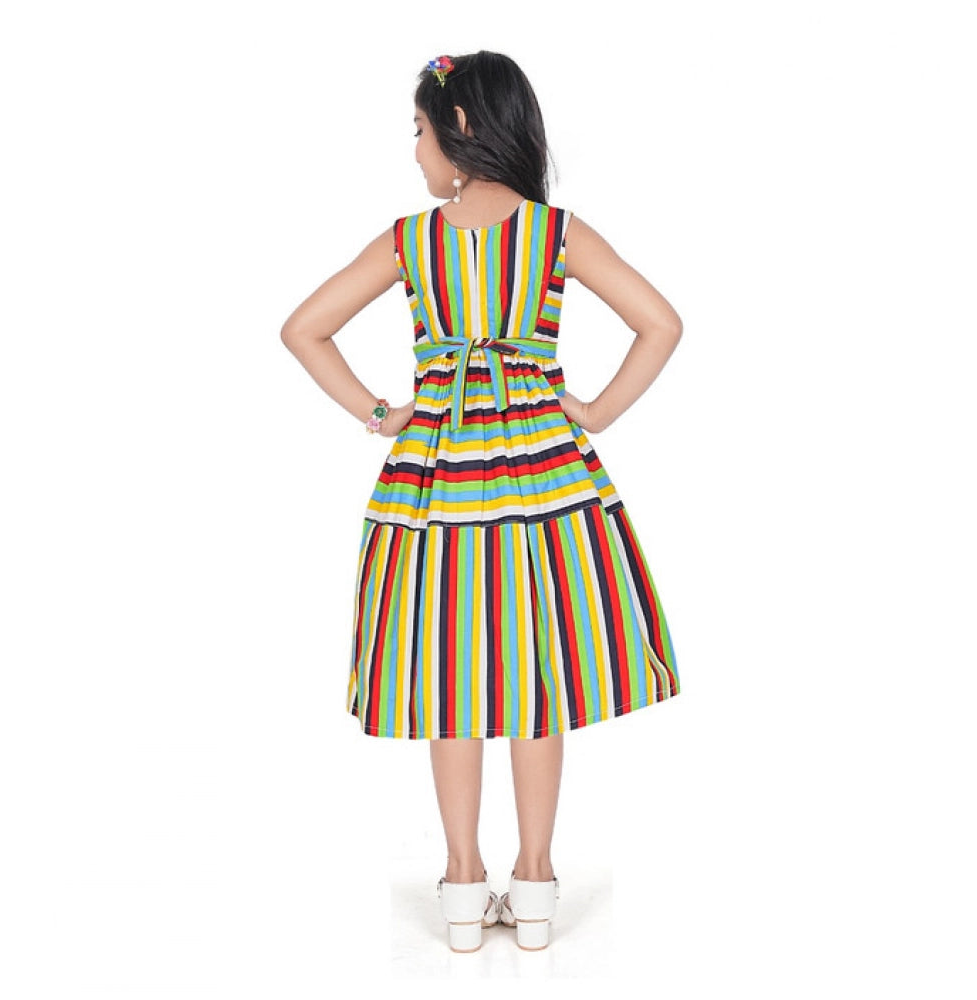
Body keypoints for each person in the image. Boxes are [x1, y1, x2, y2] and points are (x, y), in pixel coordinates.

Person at [280, 50, 683, 954]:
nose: (415, 151)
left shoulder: (409, 241)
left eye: (419, 131)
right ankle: (535, 883)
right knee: (538, 676)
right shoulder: (556, 234)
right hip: (547, 479)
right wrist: (593, 413)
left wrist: (383, 414)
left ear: (459, 127)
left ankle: (463, 884)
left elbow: (303, 328)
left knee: (451, 674)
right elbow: (662, 323)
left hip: (437, 482)